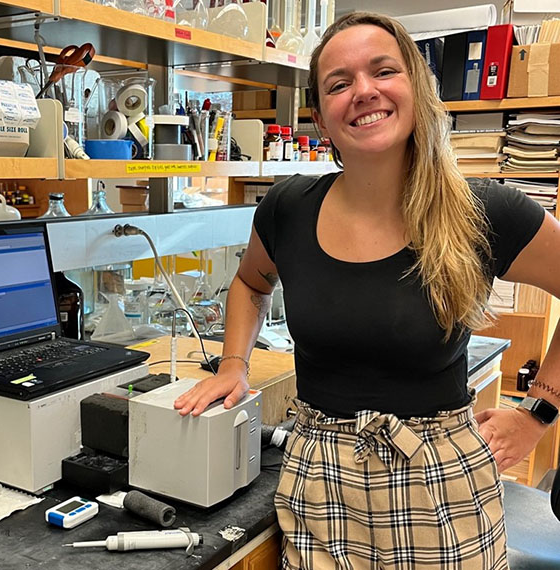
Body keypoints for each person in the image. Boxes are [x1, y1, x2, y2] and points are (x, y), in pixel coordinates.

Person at [174, 12, 560, 570]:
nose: (363, 92)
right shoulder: (287, 209)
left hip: (440, 487)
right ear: (320, 118)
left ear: (417, 89)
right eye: (339, 83)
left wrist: (538, 413)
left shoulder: (483, 211)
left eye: (383, 71)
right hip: (317, 480)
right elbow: (249, 283)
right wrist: (234, 364)